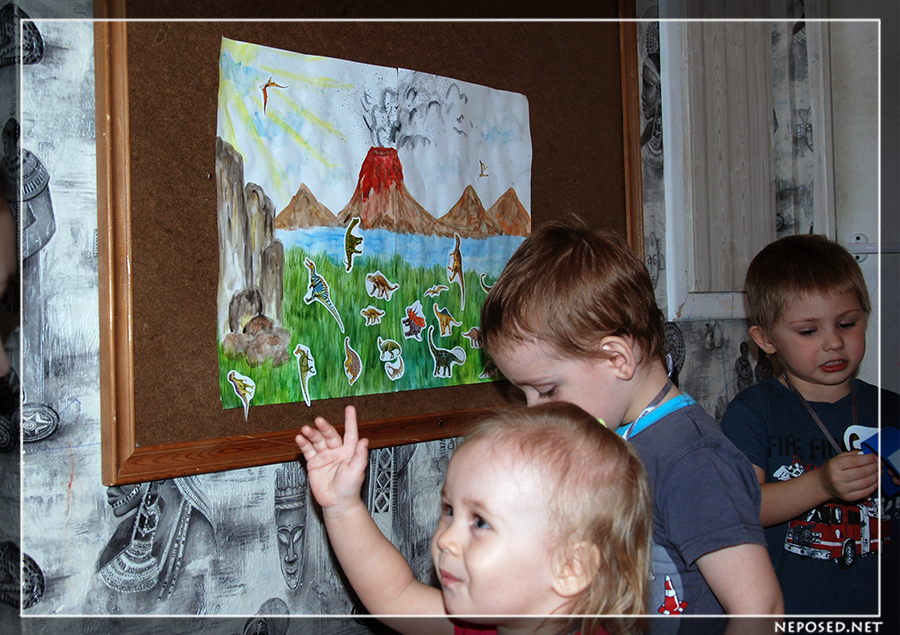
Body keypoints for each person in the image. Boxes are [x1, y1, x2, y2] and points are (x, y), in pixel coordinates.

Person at [479, 220, 783, 634]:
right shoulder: (617, 434)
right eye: (524, 394)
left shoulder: (693, 462)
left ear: (617, 359)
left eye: (547, 390)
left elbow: (760, 606)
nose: (535, 411)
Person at [295, 401, 653, 635]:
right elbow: (395, 595)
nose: (445, 539)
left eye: (480, 522)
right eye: (449, 511)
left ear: (570, 567)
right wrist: (342, 506)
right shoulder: (486, 619)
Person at [720, 233, 900, 620]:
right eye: (808, 331)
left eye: (847, 324)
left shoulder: (891, 408)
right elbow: (740, 508)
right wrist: (821, 485)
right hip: (796, 616)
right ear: (766, 339)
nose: (834, 342)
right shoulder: (754, 412)